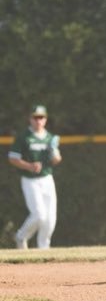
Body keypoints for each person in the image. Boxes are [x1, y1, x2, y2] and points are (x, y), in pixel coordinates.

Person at [8, 105, 62, 249]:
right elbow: (13, 158)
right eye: (35, 117)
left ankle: (44, 249)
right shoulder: (24, 137)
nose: (38, 120)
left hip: (47, 179)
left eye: (41, 117)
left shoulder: (50, 138)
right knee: (39, 215)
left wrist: (54, 152)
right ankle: (21, 236)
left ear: (45, 119)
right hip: (30, 180)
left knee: (50, 218)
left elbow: (56, 160)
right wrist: (29, 166)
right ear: (30, 119)